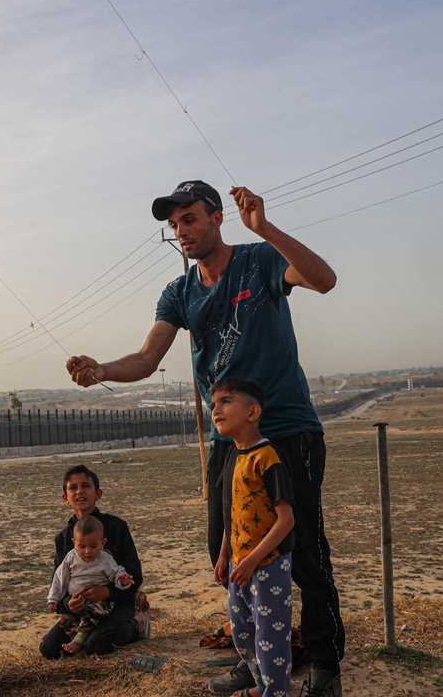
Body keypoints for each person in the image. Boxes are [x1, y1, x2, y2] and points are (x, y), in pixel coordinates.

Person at [66, 181, 344, 696]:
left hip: (286, 432)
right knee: (229, 549)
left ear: (217, 218)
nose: (182, 231)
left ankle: (326, 667)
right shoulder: (181, 292)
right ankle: (251, 657)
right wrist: (101, 368)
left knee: (302, 550)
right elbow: (148, 359)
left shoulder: (260, 260)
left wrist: (265, 228)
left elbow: (324, 280)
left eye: (190, 219)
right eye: (174, 225)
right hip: (227, 443)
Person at [208, 377, 295, 697]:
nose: (216, 409)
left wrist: (251, 561)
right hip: (238, 566)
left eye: (226, 401)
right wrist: (223, 557)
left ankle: (276, 692)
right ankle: (261, 685)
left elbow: (286, 520)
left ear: (252, 411)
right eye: (213, 403)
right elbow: (232, 515)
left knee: (270, 637)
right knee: (243, 634)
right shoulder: (231, 456)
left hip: (269, 565)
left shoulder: (267, 457)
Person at [39, 465, 147, 658]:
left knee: (99, 643)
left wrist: (106, 591)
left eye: (86, 486)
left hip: (116, 604)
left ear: (98, 494)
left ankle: (137, 624)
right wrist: (67, 604)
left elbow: (135, 576)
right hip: (80, 610)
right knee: (49, 649)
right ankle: (82, 639)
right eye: (73, 488)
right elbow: (58, 581)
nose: (79, 491)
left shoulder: (117, 528)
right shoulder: (63, 539)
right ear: (65, 498)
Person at [47, 515, 137, 655]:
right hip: (77, 604)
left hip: (102, 603)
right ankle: (78, 642)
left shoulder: (105, 557)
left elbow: (117, 572)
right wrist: (59, 601)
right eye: (82, 547)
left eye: (93, 546)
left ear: (103, 543)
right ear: (74, 542)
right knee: (51, 646)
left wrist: (119, 583)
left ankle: (80, 641)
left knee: (96, 633)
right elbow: (59, 578)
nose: (88, 551)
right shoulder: (69, 555)